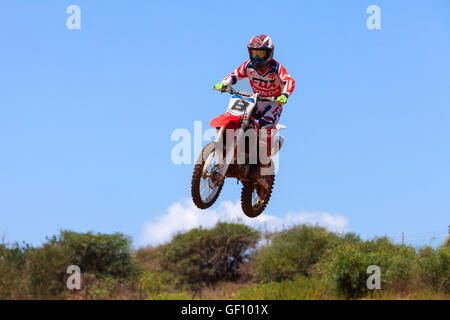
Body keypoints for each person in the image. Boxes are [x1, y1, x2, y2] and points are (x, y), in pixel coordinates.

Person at [214, 34, 295, 158]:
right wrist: (224, 84)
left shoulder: (276, 68)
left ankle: (264, 157)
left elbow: (289, 81)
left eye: (260, 54)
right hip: (256, 100)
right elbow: (234, 75)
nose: (257, 57)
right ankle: (234, 145)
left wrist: (284, 95)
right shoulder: (248, 66)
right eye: (254, 53)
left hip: (273, 103)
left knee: (265, 127)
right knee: (236, 116)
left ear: (269, 53)